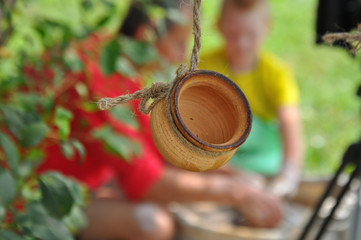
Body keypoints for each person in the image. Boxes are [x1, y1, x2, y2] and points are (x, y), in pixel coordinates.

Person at [33, 1, 283, 239]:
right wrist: (235, 193)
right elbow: (149, 183)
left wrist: (232, 175)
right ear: (145, 35)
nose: (179, 57)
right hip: (33, 199)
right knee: (153, 222)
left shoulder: (114, 61)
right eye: (178, 42)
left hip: (78, 184)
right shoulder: (95, 79)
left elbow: (155, 149)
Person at [199, 0, 304, 198]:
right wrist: (232, 172)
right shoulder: (206, 68)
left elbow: (291, 125)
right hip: (217, 162)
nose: (242, 44)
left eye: (251, 35)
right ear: (219, 26)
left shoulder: (276, 74)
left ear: (267, 27)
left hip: (263, 164)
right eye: (233, 35)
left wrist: (288, 175)